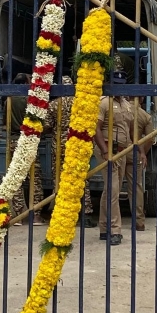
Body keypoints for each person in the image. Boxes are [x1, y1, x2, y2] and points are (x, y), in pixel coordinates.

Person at [93, 72, 143, 246]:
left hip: (122, 151)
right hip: (108, 149)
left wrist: (135, 149)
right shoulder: (104, 102)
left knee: (111, 189)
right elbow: (96, 129)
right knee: (113, 189)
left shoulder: (126, 104)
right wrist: (105, 151)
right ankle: (115, 229)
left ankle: (104, 227)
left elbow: (129, 129)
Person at [47, 75, 96, 227]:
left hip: (59, 145)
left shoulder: (53, 105)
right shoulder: (80, 103)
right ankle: (86, 214)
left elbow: (47, 126)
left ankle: (61, 213)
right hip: (77, 144)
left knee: (60, 179)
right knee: (81, 179)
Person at [10, 73, 45, 225]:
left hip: (13, 140)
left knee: (16, 178)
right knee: (34, 178)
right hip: (28, 140)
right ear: (26, 83)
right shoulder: (30, 101)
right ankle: (36, 215)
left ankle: (18, 215)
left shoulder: (9, 100)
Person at [125, 97, 154, 231]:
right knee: (136, 187)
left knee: (113, 186)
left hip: (117, 150)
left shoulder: (122, 109)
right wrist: (143, 153)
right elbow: (150, 138)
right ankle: (139, 221)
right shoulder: (145, 116)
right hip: (135, 152)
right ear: (141, 99)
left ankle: (110, 222)